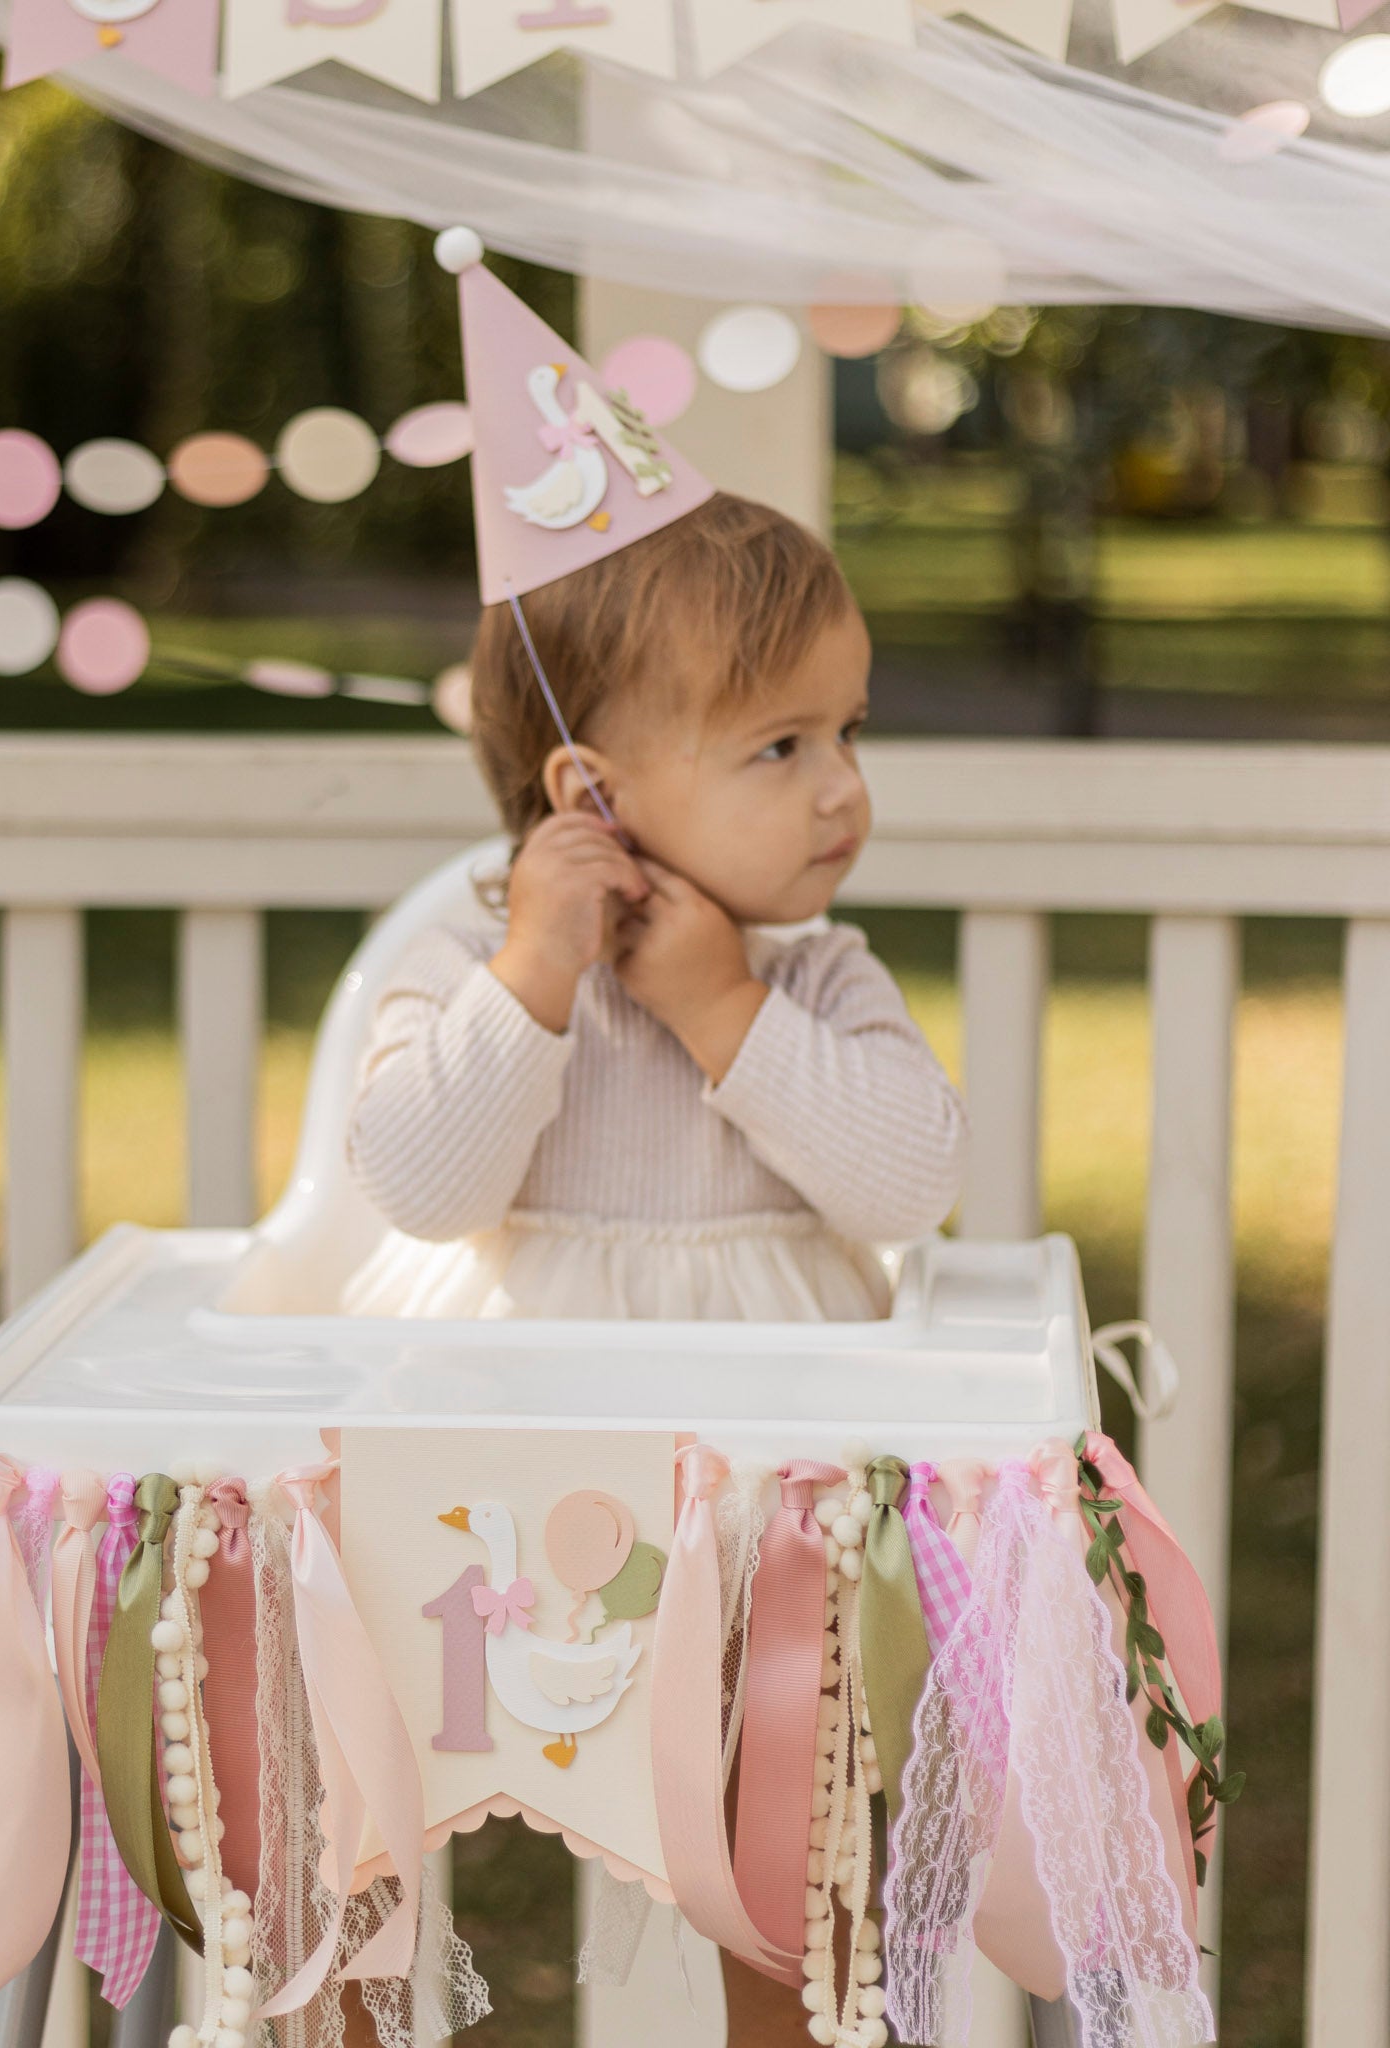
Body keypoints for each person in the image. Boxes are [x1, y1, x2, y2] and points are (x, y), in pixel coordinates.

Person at [338, 489, 967, 2046]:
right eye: (782, 746)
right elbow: (419, 1185)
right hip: (494, 1497)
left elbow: (911, 1179)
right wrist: (541, 971)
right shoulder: (470, 964)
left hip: (759, 1497)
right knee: (365, 1821)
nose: (843, 790)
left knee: (778, 1851)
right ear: (590, 793)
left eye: (847, 732)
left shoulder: (819, 976)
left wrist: (724, 1011)